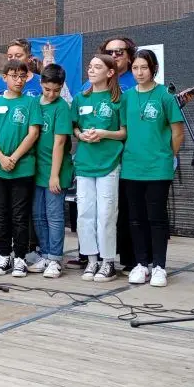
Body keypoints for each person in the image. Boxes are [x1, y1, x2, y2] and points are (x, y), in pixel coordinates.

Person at [121, 50, 184, 288]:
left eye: (144, 68)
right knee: (136, 219)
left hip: (158, 167)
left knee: (156, 218)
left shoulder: (165, 95)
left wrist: (168, 156)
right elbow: (124, 130)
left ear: (153, 69)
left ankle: (159, 266)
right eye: (135, 68)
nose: (139, 72)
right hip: (131, 166)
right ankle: (141, 264)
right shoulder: (127, 97)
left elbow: (178, 132)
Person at [0, 59, 43, 278]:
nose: (18, 80)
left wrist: (14, 158)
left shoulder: (31, 102)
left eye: (22, 76)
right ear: (4, 77)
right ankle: (4, 255)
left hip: (22, 167)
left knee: (20, 215)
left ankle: (20, 257)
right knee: (1, 213)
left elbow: (33, 133)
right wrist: (0, 157)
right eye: (14, 76)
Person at [72, 53, 127, 282]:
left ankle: (108, 262)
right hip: (85, 163)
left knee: (106, 214)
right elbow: (74, 127)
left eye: (97, 67)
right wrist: (81, 135)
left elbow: (123, 132)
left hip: (109, 162)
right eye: (90, 67)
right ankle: (91, 260)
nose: (91, 70)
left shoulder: (119, 99)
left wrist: (104, 133)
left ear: (110, 72)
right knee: (84, 213)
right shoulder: (80, 98)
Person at [32, 64, 74, 278]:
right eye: (47, 89)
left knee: (54, 215)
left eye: (56, 90)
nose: (51, 94)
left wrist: (54, 175)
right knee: (38, 214)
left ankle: (55, 259)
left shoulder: (62, 107)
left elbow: (60, 142)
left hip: (56, 169)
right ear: (41, 84)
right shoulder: (34, 103)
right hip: (36, 168)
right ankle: (46, 254)